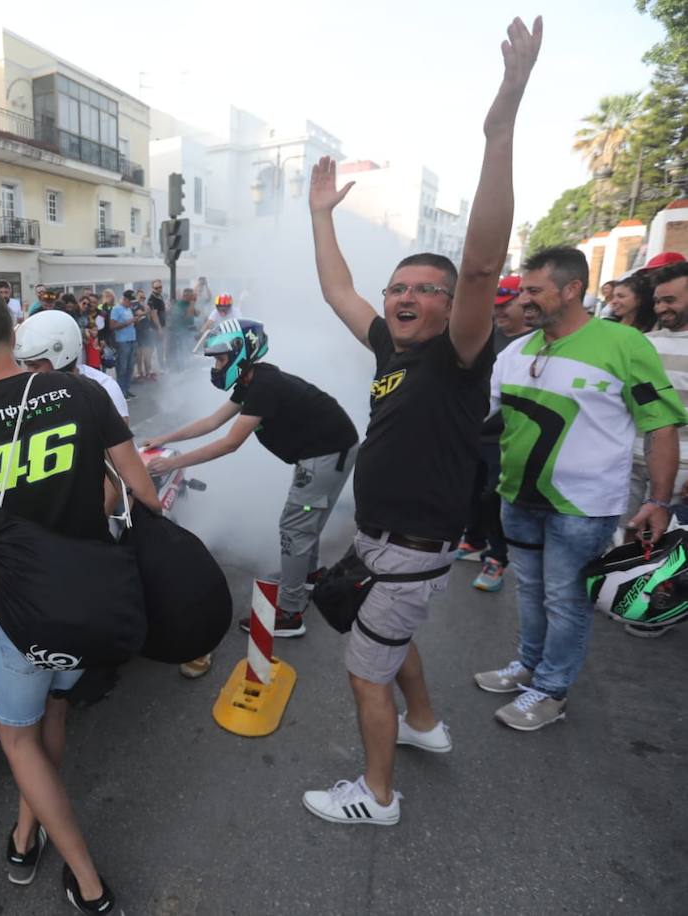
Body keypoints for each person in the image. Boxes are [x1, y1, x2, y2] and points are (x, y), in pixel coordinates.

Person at [302, 17, 541, 824]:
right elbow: (341, 294)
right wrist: (322, 216)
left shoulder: (457, 357)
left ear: (453, 308)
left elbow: (479, 262)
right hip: (385, 540)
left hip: (410, 548)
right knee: (390, 640)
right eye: (398, 287)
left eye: (423, 290)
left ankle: (376, 795)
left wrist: (499, 127)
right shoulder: (392, 351)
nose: (403, 298)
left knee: (364, 669)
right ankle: (428, 727)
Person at [0, 284, 159, 915]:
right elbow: (136, 488)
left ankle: (87, 880)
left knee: (18, 737)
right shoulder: (83, 392)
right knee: (52, 713)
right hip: (92, 596)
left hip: (21, 609)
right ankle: (27, 833)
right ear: (13, 332)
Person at [475, 246, 686, 728]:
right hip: (518, 498)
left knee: (564, 599)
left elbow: (660, 426)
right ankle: (529, 666)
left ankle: (552, 691)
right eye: (522, 290)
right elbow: (479, 414)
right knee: (528, 589)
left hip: (583, 507)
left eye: (533, 291)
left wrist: (657, 498)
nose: (521, 301)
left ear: (572, 290)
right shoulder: (517, 349)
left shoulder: (623, 344)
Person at [145, 319, 358, 677]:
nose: (216, 366)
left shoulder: (264, 386)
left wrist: (174, 462)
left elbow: (229, 443)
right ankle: (308, 574)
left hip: (326, 455)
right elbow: (213, 422)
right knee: (304, 523)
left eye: (220, 358)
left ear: (242, 353)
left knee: (295, 526)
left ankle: (290, 613)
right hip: (327, 450)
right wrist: (164, 438)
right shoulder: (253, 379)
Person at [617, 259, 688, 637]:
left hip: (683, 466)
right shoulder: (644, 343)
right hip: (632, 457)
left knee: (669, 541)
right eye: (659, 301)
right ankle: (623, 592)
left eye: (671, 300)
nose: (662, 308)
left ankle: (657, 608)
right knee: (630, 531)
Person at [456, 276, 527, 593]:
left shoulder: (534, 343)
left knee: (492, 496)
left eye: (505, 306)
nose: (499, 313)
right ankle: (473, 540)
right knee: (470, 490)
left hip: (507, 437)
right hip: (475, 431)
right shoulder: (487, 336)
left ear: (522, 301)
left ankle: (497, 557)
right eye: (495, 306)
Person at [13, 310, 129, 422]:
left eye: (35, 366)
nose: (29, 372)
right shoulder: (29, 392)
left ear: (61, 357)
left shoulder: (103, 387)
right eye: (27, 365)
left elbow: (121, 434)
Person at [110, 289, 138, 399]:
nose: (131, 303)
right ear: (124, 299)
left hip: (131, 340)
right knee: (122, 367)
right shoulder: (116, 309)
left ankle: (126, 388)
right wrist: (128, 322)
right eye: (130, 301)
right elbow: (112, 326)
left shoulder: (128, 309)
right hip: (122, 341)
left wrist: (134, 321)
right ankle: (121, 390)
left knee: (130, 367)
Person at [134, 290, 159, 381]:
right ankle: (140, 372)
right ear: (137, 297)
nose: (143, 299)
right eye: (141, 297)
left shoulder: (146, 305)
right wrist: (146, 310)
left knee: (147, 354)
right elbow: (139, 314)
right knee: (139, 354)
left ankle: (148, 371)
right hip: (138, 332)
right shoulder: (135, 305)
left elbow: (152, 316)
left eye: (144, 298)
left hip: (147, 332)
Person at [147, 280, 168, 369]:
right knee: (155, 348)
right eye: (156, 288)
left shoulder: (159, 296)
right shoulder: (152, 299)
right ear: (152, 288)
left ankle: (161, 366)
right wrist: (159, 328)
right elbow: (153, 314)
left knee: (161, 347)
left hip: (162, 325)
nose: (159, 289)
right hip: (155, 328)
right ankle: (151, 369)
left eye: (160, 287)